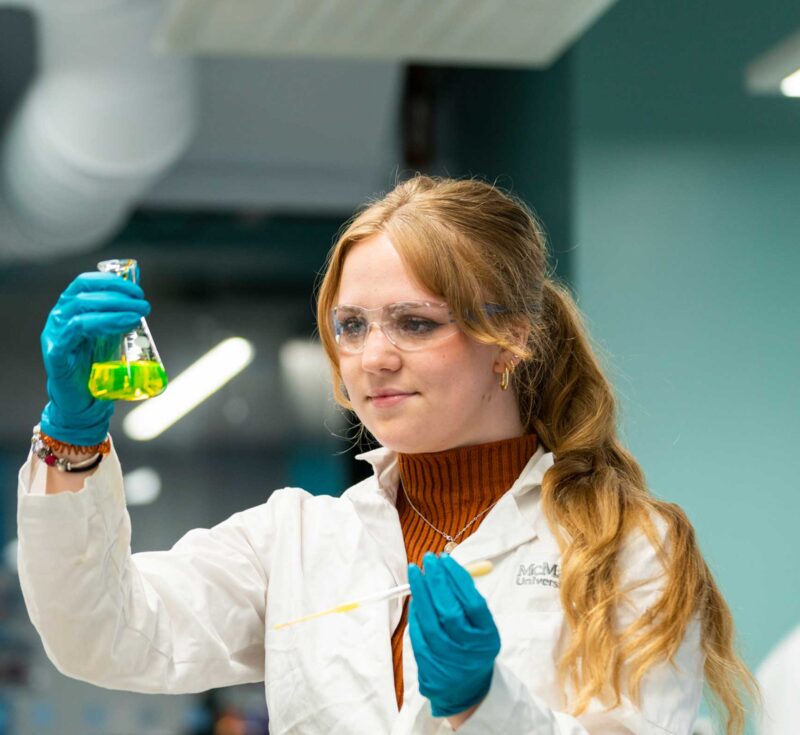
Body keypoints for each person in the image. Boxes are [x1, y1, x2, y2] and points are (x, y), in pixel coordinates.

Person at [17, 175, 756, 734]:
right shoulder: (298, 539)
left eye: (415, 322)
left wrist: (484, 704)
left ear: (514, 338)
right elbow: (104, 635)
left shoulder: (626, 545)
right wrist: (72, 437)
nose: (373, 357)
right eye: (350, 325)